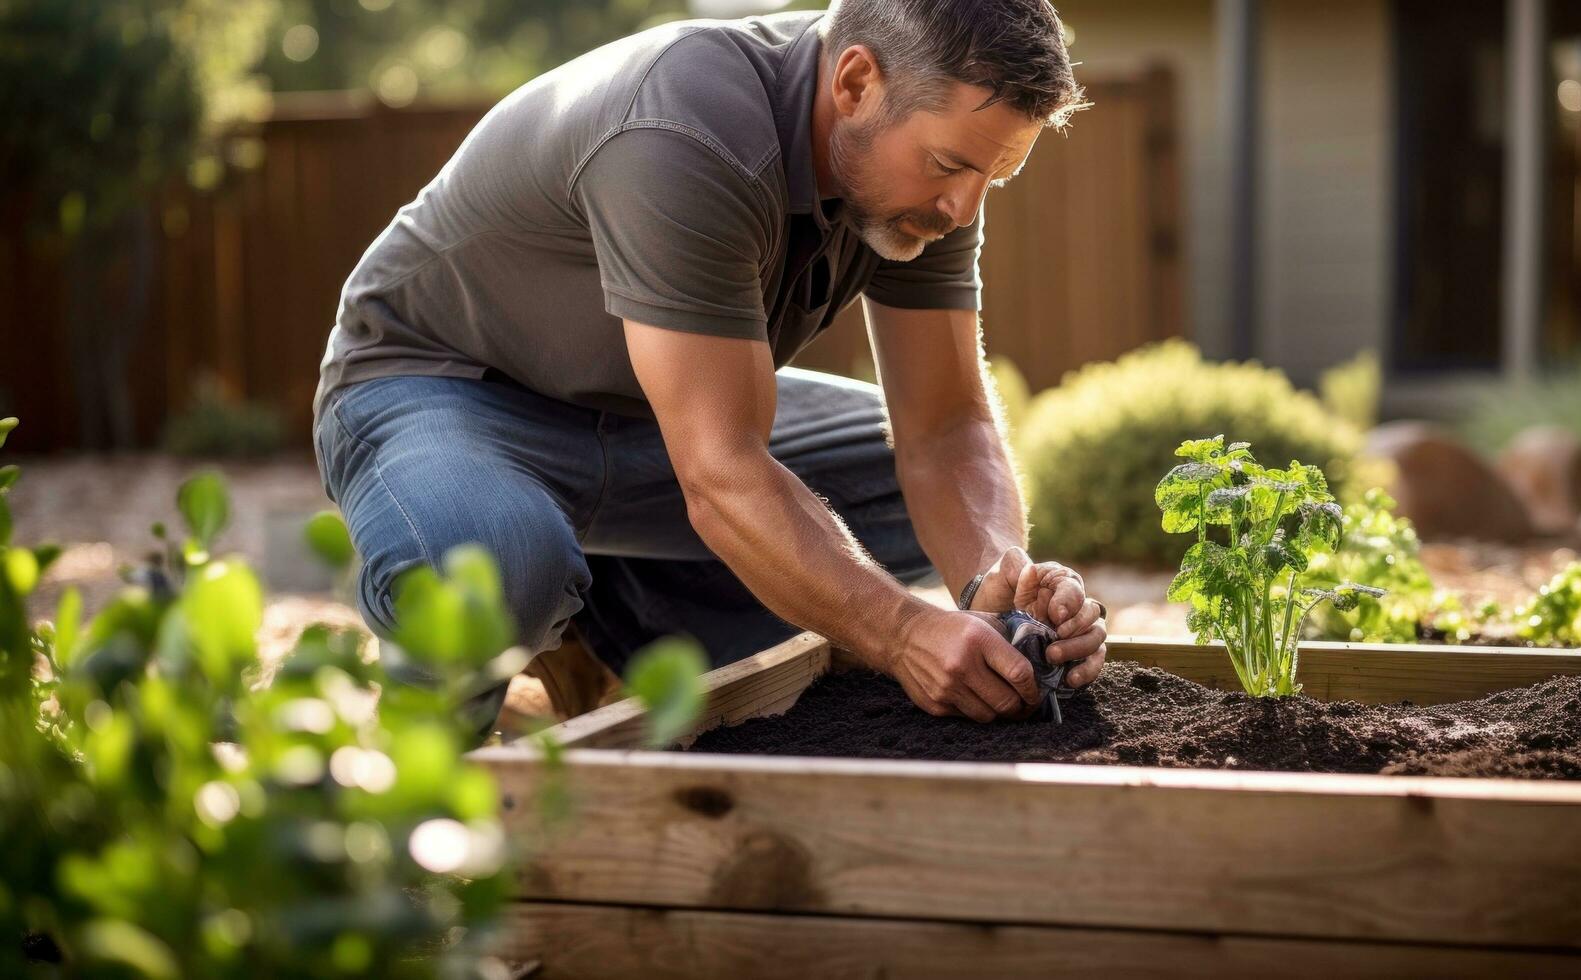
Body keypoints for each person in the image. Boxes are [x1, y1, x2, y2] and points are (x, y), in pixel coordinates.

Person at [312, 0, 1108, 742]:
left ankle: (611, 638)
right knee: (496, 567)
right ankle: (402, 801)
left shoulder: (916, 167)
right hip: (441, 388)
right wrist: (901, 633)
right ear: (857, 82)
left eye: (989, 180)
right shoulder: (689, 130)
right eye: (947, 167)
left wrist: (995, 584)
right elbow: (723, 471)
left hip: (644, 417)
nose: (961, 210)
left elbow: (944, 426)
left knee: (881, 488)